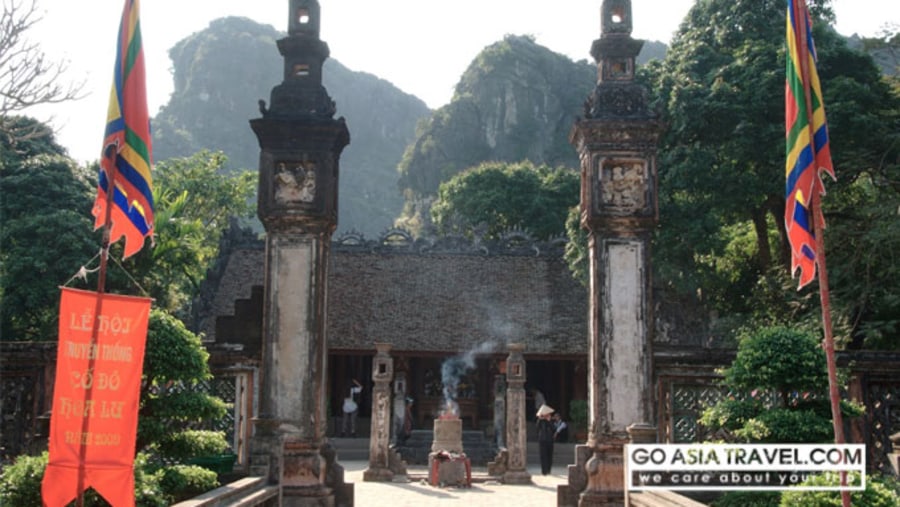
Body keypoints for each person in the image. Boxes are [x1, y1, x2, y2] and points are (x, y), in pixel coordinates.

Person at [536, 403, 555, 475]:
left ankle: (548, 470)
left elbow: (554, 428)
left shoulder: (551, 421)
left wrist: (548, 420)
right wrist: (541, 419)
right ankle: (544, 470)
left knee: (549, 455)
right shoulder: (540, 421)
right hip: (542, 440)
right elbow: (537, 428)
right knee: (543, 455)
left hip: (550, 440)